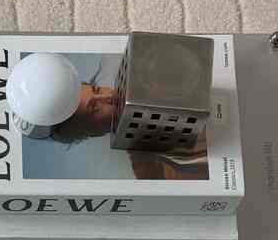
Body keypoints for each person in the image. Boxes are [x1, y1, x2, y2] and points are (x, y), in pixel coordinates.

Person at [49, 62, 207, 180]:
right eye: (95, 108)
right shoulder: (149, 168)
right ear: (95, 133)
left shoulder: (146, 70)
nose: (108, 96)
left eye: (97, 90)